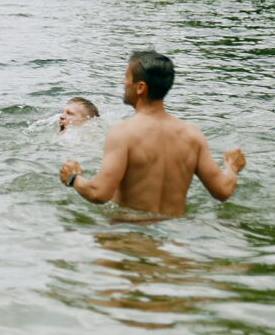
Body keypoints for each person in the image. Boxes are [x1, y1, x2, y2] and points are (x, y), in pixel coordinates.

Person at [59, 51, 246, 216]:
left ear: (141, 87)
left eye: (127, 77)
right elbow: (222, 190)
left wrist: (73, 178)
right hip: (174, 243)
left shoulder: (123, 132)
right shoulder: (192, 134)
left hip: (128, 237)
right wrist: (232, 167)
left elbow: (99, 193)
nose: (123, 82)